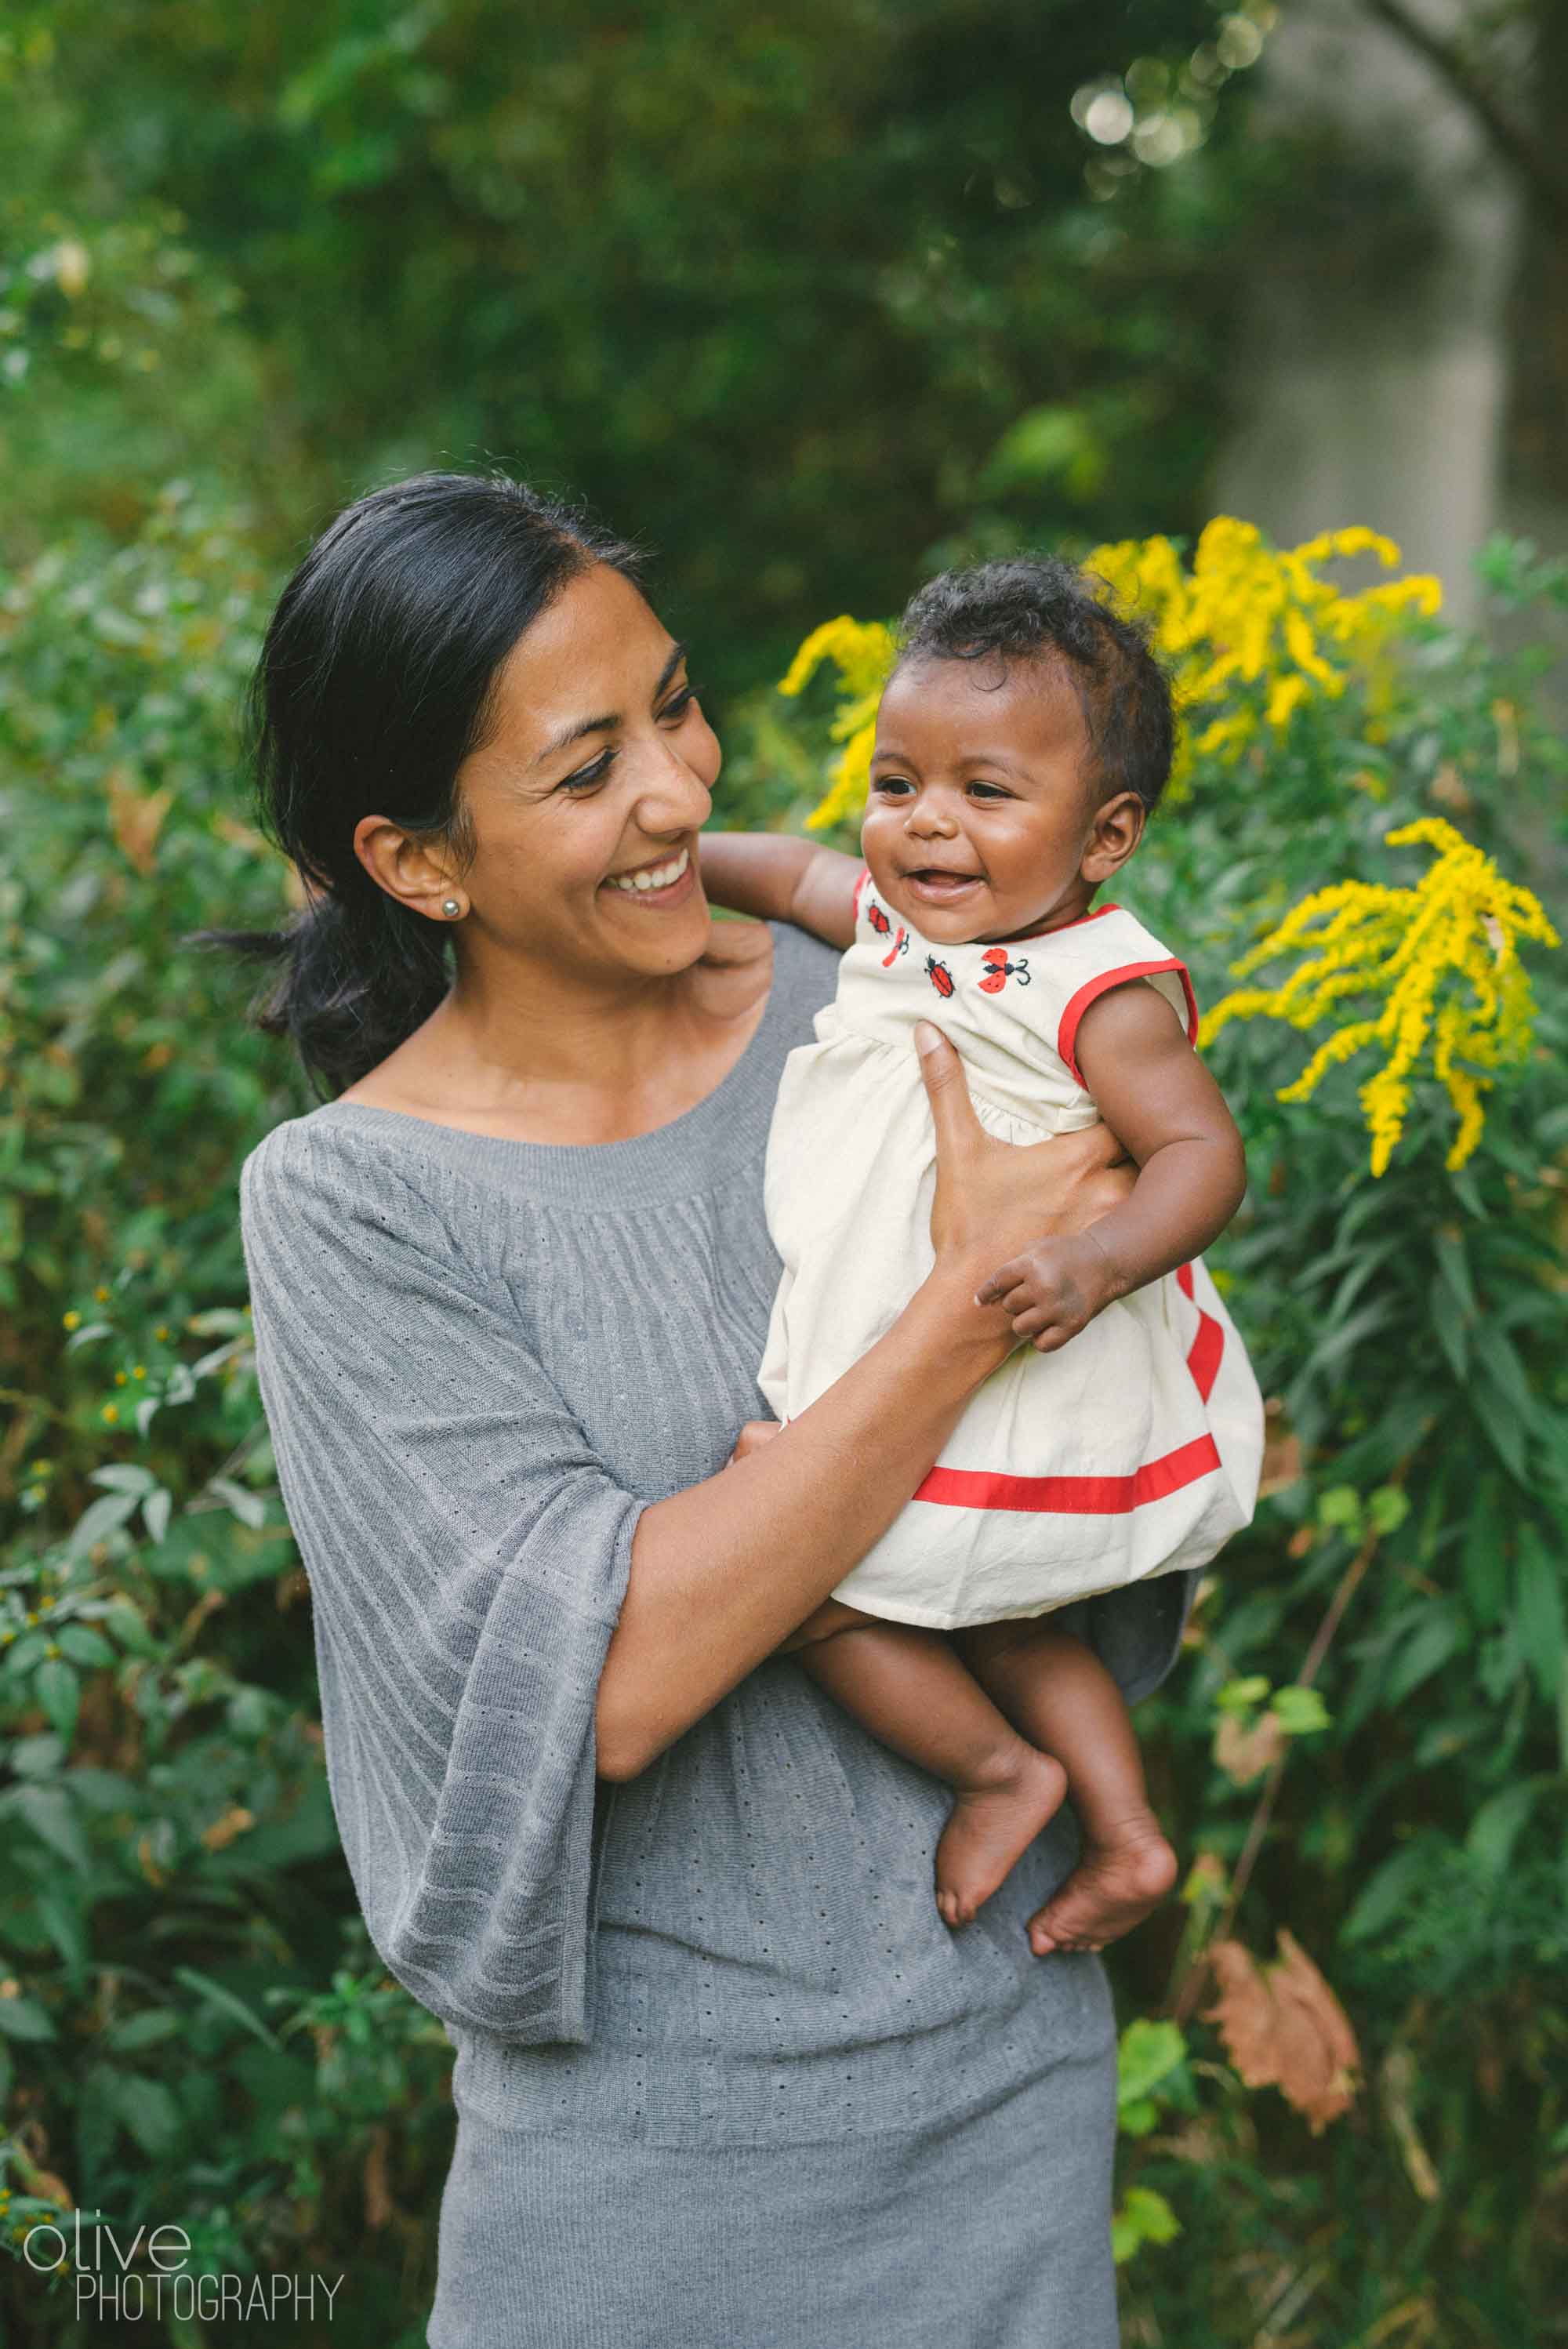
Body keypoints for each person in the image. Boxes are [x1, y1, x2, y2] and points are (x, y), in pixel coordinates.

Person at [225, 470, 1201, 2349]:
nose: (677, 791)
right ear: (418, 860)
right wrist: (953, 1310)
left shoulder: (879, 992)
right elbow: (608, 1679)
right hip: (642, 2181)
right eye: (585, 769)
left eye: (673, 706)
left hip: (1002, 2085)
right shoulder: (358, 1206)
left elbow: (1091, 1425)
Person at [700, 559, 1265, 1959]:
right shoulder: (902, 924)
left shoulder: (1100, 990)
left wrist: (1095, 1262)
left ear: (1106, 833)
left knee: (810, 1587)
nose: (926, 825)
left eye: (987, 794)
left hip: (1027, 1351)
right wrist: (667, 855)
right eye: (898, 785)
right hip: (934, 1345)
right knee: (1012, 1621)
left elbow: (1204, 1158)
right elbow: (787, 870)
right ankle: (1126, 1834)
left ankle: (1003, 1772)